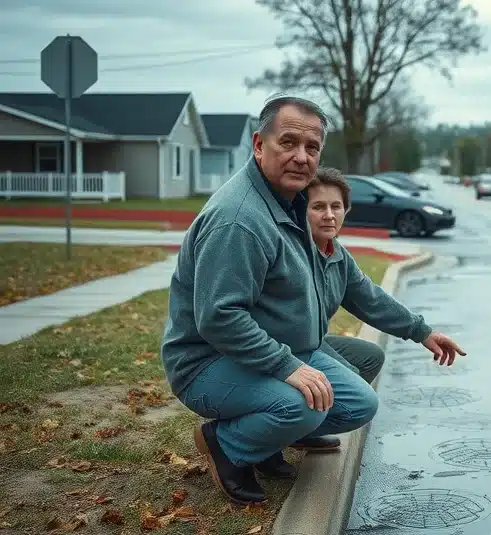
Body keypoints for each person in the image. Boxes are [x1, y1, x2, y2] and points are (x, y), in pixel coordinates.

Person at [160, 95, 427, 505]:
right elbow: (218, 318)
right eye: (288, 143)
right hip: (206, 361)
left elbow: (359, 289)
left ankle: (266, 443)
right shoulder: (240, 221)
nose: (301, 157)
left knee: (359, 403)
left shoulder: (294, 202)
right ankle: (225, 444)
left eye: (312, 148)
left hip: (274, 345)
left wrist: (420, 331)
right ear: (258, 145)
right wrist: (288, 367)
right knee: (306, 406)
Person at [305, 167, 465, 387]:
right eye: (318, 207)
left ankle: (335, 414)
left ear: (346, 210)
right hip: (289, 349)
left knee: (370, 357)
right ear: (301, 211)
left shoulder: (338, 256)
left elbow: (371, 299)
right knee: (353, 385)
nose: (329, 215)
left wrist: (423, 333)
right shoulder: (296, 254)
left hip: (314, 342)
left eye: (336, 206)